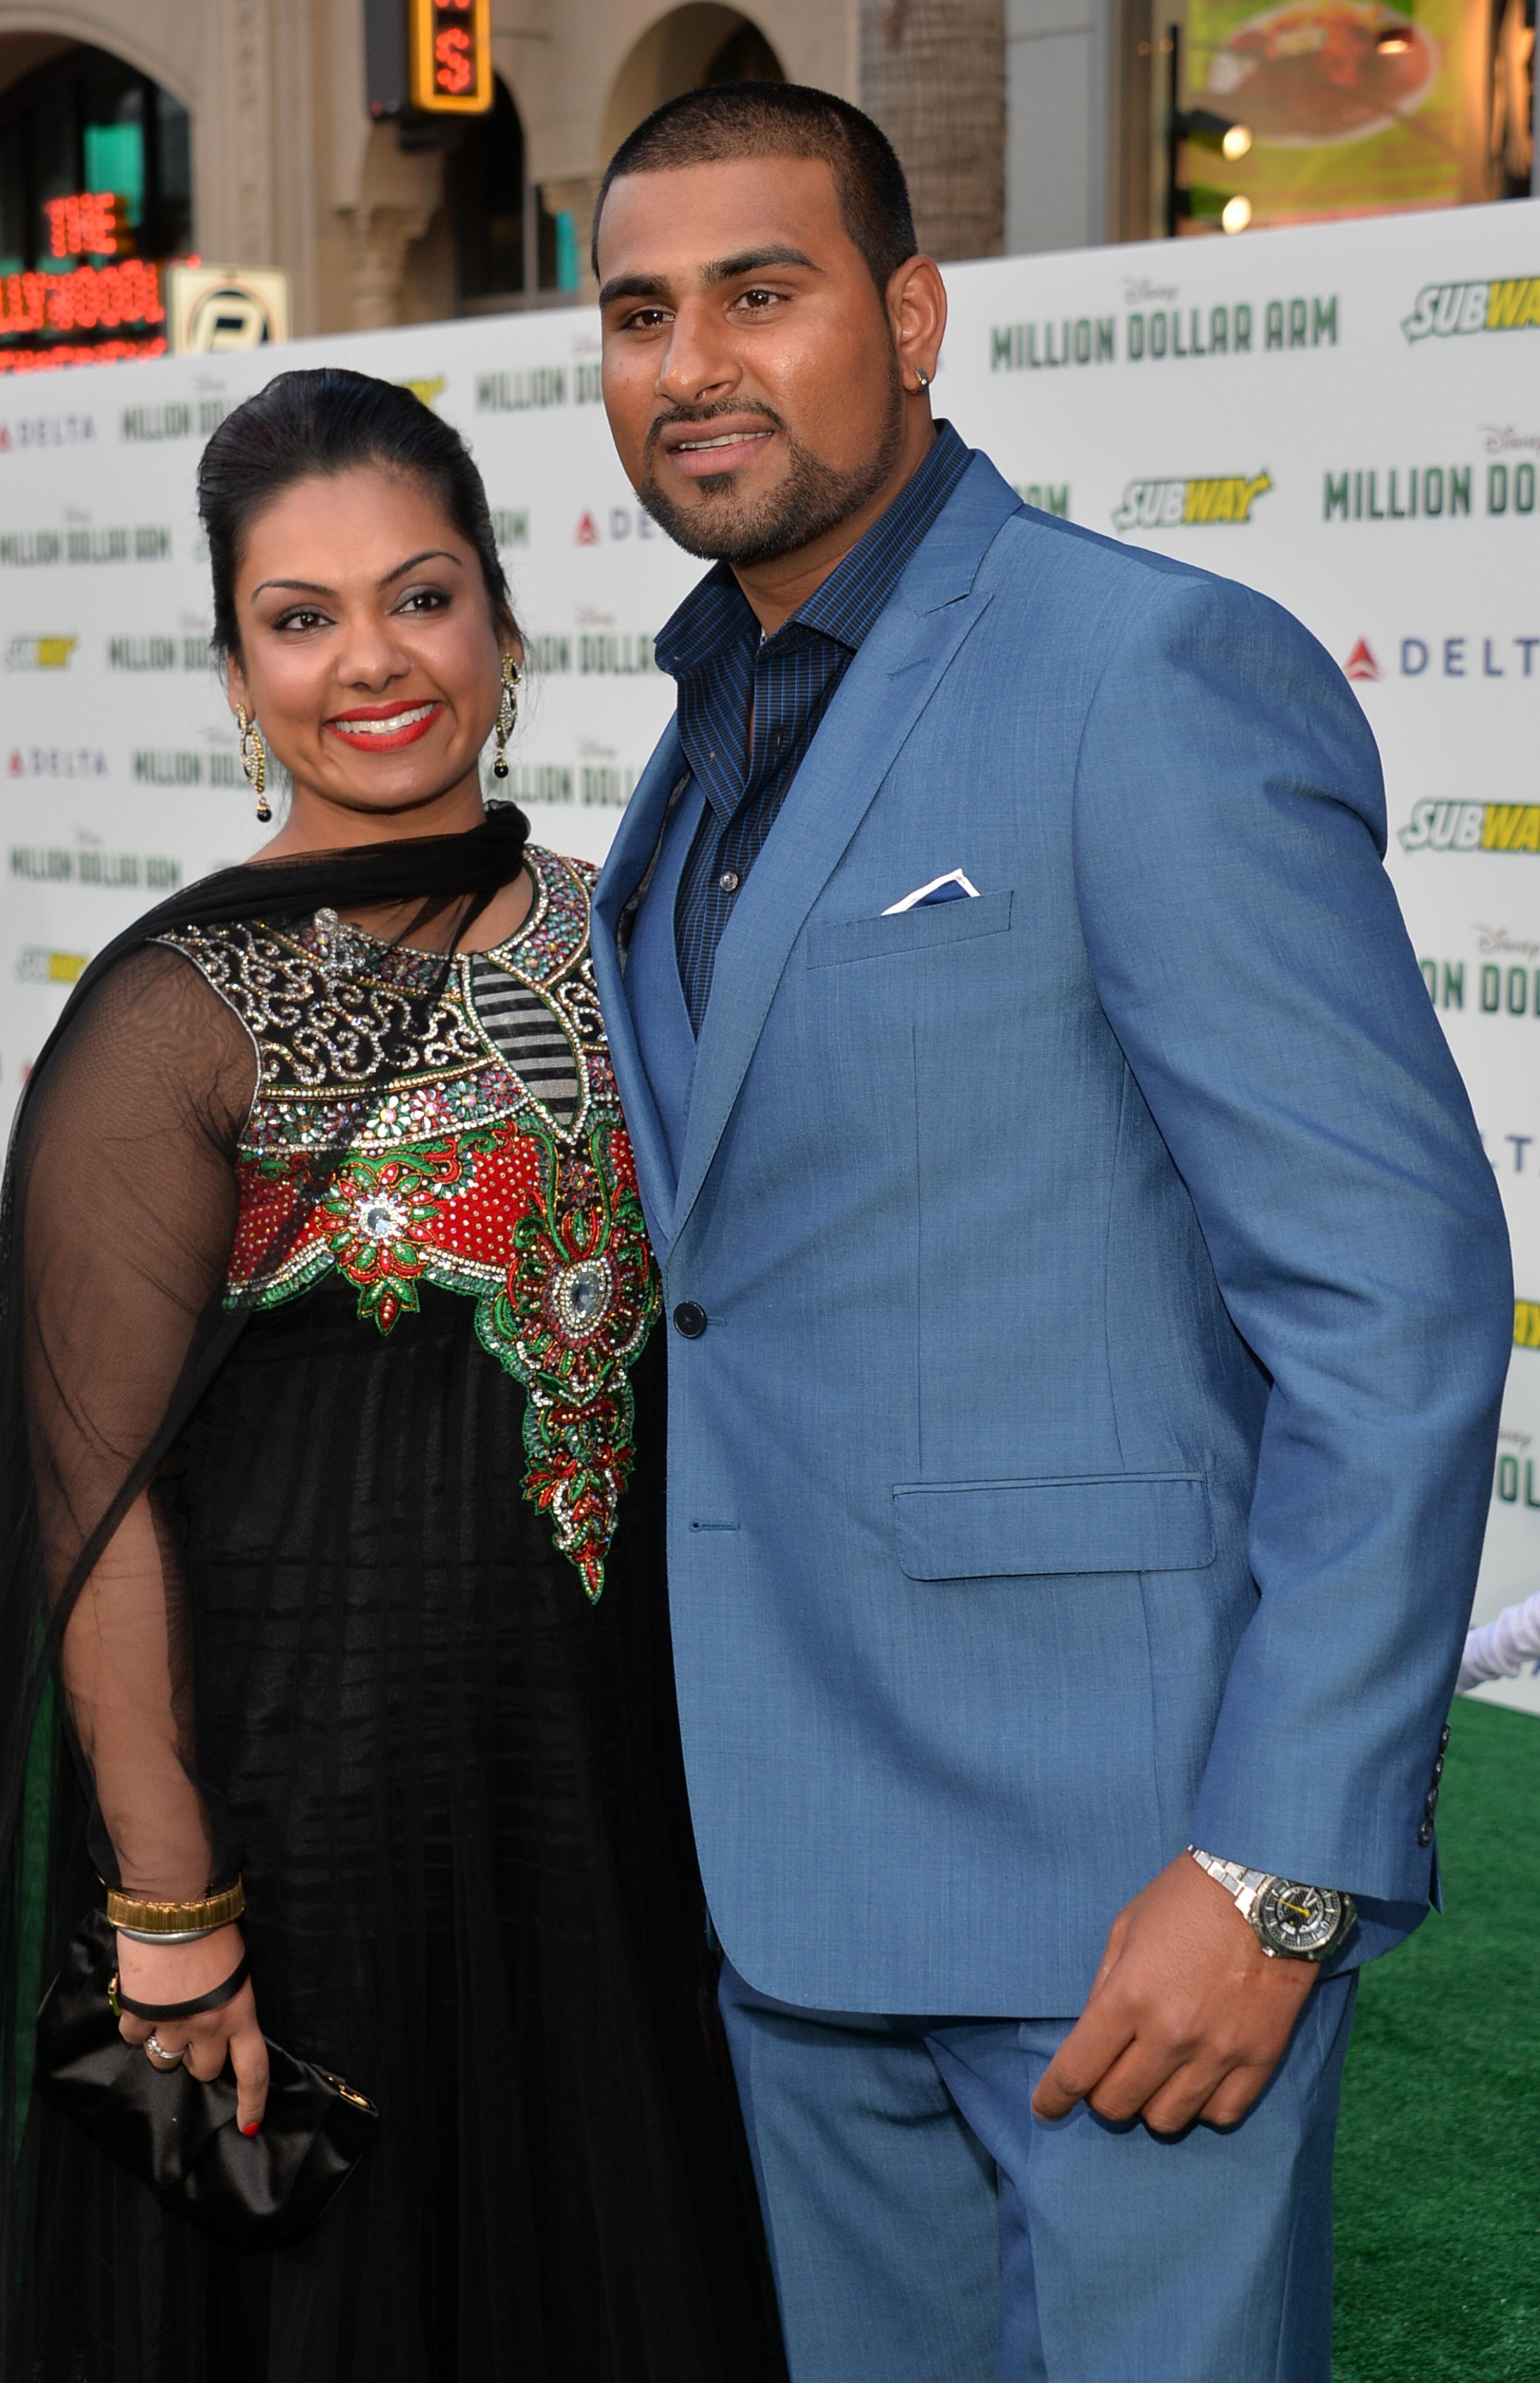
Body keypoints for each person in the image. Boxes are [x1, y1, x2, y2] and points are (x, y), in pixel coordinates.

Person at [586, 82, 1512, 2383]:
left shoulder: (1145, 675)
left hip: (1128, 1894)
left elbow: (1390, 1304)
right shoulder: (700, 734)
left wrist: (1276, 1868)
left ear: (911, 317)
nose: (693, 363)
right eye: (640, 312)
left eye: (761, 293)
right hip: (792, 1887)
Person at [0, 369, 783, 2383]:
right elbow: (97, 1500)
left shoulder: (636, 936)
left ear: (504, 627)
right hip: (314, 1823)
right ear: (238, 676)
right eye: (300, 618)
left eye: (420, 596)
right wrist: (170, 1899)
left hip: (621, 1796)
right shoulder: (174, 1018)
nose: (371, 660)